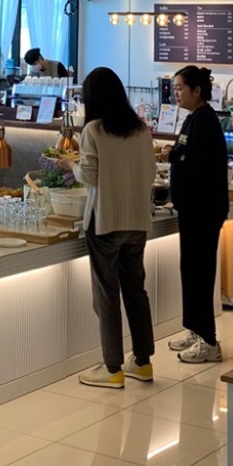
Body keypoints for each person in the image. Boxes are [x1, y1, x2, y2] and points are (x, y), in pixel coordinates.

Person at [75, 66, 157, 389]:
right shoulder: (140, 129)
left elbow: (89, 176)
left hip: (105, 222)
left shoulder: (93, 130)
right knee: (136, 291)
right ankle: (143, 362)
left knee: (107, 296)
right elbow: (151, 173)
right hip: (137, 222)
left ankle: (112, 368)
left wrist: (71, 165)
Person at [167, 65, 229, 364]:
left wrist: (175, 157)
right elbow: (182, 153)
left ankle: (209, 341)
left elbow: (196, 163)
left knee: (200, 273)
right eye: (175, 88)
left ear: (197, 90)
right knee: (190, 271)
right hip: (191, 208)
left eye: (180, 88)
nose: (176, 93)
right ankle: (195, 329)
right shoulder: (193, 118)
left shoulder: (206, 121)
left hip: (203, 209)